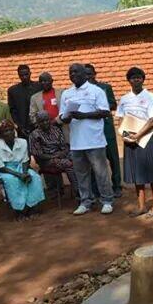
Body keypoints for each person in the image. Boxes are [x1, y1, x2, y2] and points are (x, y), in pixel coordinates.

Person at [60, 63, 114, 215]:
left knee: (100, 173)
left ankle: (107, 200)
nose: (73, 75)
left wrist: (84, 116)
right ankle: (85, 202)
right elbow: (62, 116)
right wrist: (67, 118)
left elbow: (105, 112)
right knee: (81, 174)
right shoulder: (66, 93)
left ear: (85, 74)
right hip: (76, 142)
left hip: (94, 140)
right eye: (70, 72)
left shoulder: (96, 91)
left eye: (76, 72)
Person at [116, 67, 153, 218]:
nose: (136, 79)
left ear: (143, 79)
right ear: (128, 80)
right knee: (137, 175)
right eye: (133, 77)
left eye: (139, 77)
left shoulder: (150, 96)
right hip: (131, 140)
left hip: (147, 139)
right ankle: (141, 206)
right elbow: (121, 118)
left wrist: (138, 135)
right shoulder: (124, 99)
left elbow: (152, 120)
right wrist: (124, 134)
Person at [0, 119, 45, 221]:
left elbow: (25, 160)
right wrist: (19, 175)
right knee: (13, 181)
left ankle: (32, 207)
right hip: (6, 170)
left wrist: (25, 173)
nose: (9, 133)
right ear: (1, 134)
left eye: (10, 130)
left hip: (21, 167)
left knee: (34, 177)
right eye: (5, 131)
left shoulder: (22, 142)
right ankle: (19, 211)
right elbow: (1, 167)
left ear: (14, 131)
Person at [84, 63, 123, 198]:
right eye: (86, 74)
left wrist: (100, 106)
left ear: (95, 74)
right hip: (91, 130)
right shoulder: (83, 91)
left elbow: (113, 104)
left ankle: (117, 185)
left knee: (112, 157)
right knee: (95, 160)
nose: (88, 77)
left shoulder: (105, 88)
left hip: (106, 128)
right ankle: (97, 188)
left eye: (90, 74)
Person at [29, 111, 79, 197]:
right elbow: (38, 154)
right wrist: (55, 156)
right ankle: (78, 192)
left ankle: (84, 190)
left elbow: (64, 146)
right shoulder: (35, 134)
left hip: (60, 156)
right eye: (42, 121)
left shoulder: (56, 130)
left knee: (78, 159)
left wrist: (63, 153)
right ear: (38, 123)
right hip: (46, 161)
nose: (45, 123)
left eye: (47, 120)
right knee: (68, 164)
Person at [7, 65, 41, 139]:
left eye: (26, 74)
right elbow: (12, 111)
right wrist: (19, 127)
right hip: (21, 129)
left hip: (38, 127)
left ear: (30, 73)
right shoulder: (13, 90)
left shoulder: (39, 87)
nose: (24, 77)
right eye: (21, 75)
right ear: (18, 76)